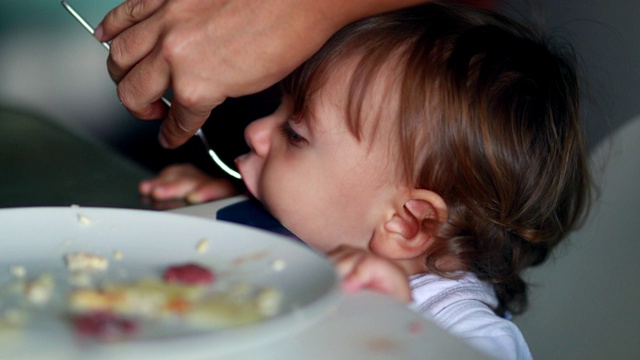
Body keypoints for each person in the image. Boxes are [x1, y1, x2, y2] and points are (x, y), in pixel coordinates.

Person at [147, 2, 591, 359]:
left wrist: (393, 332)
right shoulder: (339, 225)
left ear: (405, 223)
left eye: (295, 134)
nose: (255, 132)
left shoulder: (461, 330)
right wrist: (224, 210)